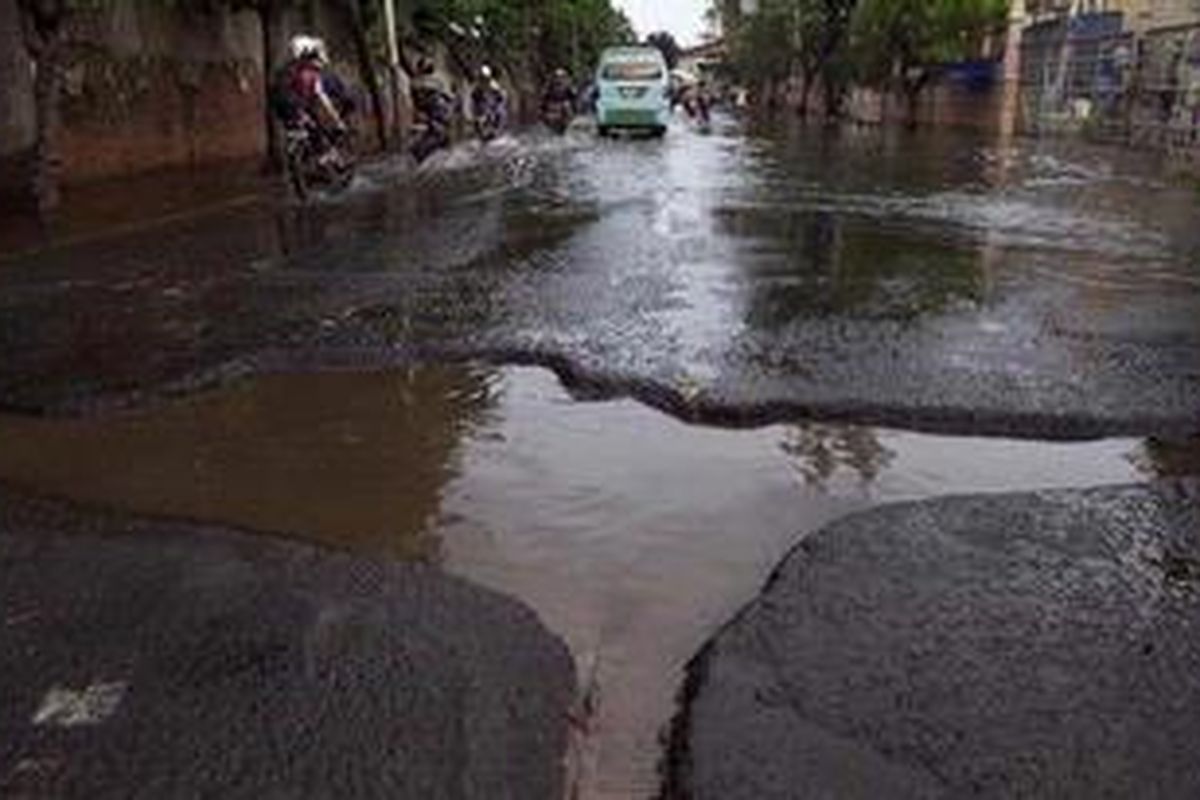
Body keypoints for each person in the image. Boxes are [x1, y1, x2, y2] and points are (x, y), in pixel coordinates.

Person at [272, 35, 350, 139]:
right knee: (318, 132)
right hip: (296, 108)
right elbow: (322, 98)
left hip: (286, 109)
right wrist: (337, 120)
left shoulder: (288, 71)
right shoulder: (308, 74)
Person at [470, 64, 507, 135]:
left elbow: (501, 97)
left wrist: (496, 103)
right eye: (482, 78)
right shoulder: (477, 87)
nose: (483, 80)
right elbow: (473, 100)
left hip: (492, 106)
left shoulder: (493, 85)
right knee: (479, 118)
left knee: (499, 113)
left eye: (484, 78)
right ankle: (482, 130)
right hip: (481, 107)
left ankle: (495, 129)